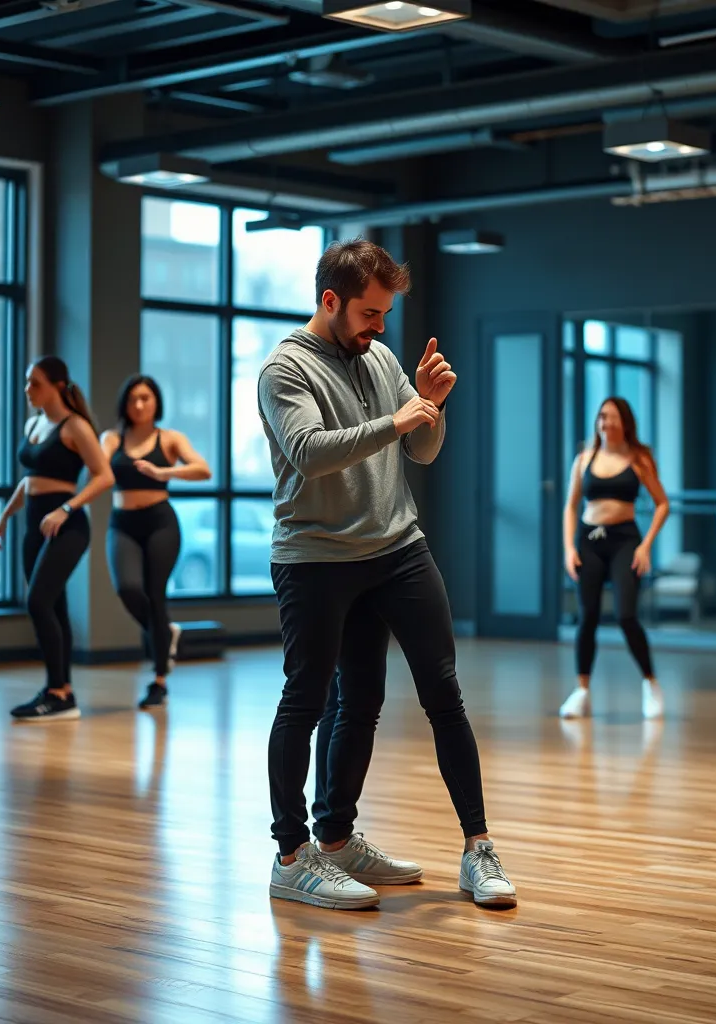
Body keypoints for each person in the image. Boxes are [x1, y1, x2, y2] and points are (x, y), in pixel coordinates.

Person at [258, 238, 516, 911]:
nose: (379, 327)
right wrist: (396, 419)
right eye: (369, 313)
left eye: (385, 315)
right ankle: (293, 857)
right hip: (316, 558)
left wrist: (430, 405)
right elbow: (309, 453)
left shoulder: (379, 357)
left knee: (434, 693)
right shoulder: (284, 369)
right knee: (309, 700)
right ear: (330, 300)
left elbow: (421, 449)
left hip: (396, 547)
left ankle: (468, 848)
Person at [0, 356, 114, 722]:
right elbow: (29, 479)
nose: (27, 389)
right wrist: (6, 515)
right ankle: (61, 692)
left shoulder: (75, 426)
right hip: (34, 526)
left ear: (58, 386)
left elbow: (104, 476)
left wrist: (66, 508)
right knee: (54, 606)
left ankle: (58, 691)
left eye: (35, 383)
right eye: (27, 382)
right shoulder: (34, 424)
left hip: (67, 528)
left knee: (38, 601)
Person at [101, 375, 211, 709]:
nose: (138, 405)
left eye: (145, 398)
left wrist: (165, 473)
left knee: (155, 593)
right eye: (132, 399)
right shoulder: (112, 438)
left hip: (160, 522)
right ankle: (164, 631)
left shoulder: (170, 439)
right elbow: (97, 469)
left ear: (156, 402)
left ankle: (159, 680)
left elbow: (203, 470)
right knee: (128, 589)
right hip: (122, 524)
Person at [559, 397, 670, 721]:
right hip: (589, 542)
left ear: (625, 422)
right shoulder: (584, 459)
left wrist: (645, 547)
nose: (605, 423)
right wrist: (569, 549)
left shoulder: (639, 459)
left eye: (612, 417)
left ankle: (651, 684)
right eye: (602, 417)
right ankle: (581, 691)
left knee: (626, 615)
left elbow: (662, 504)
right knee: (588, 616)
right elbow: (571, 506)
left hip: (625, 542)